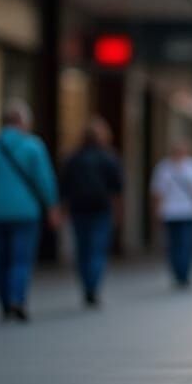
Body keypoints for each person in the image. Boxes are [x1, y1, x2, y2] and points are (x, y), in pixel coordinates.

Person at [0, 100, 60, 321]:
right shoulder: (33, 147)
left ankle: (4, 302)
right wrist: (52, 206)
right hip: (26, 212)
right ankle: (17, 298)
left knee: (1, 258)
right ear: (23, 122)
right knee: (21, 258)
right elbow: (44, 180)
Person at [60, 117, 123, 306]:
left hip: (79, 209)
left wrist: (62, 209)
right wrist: (118, 212)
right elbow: (117, 189)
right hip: (100, 208)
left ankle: (87, 284)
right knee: (96, 249)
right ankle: (92, 287)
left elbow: (63, 186)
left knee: (83, 249)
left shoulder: (73, 158)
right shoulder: (108, 157)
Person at [150, 139, 192, 287]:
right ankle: (177, 272)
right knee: (174, 244)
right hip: (170, 212)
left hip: (189, 212)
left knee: (186, 244)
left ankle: (184, 274)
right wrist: (157, 211)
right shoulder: (164, 167)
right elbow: (158, 192)